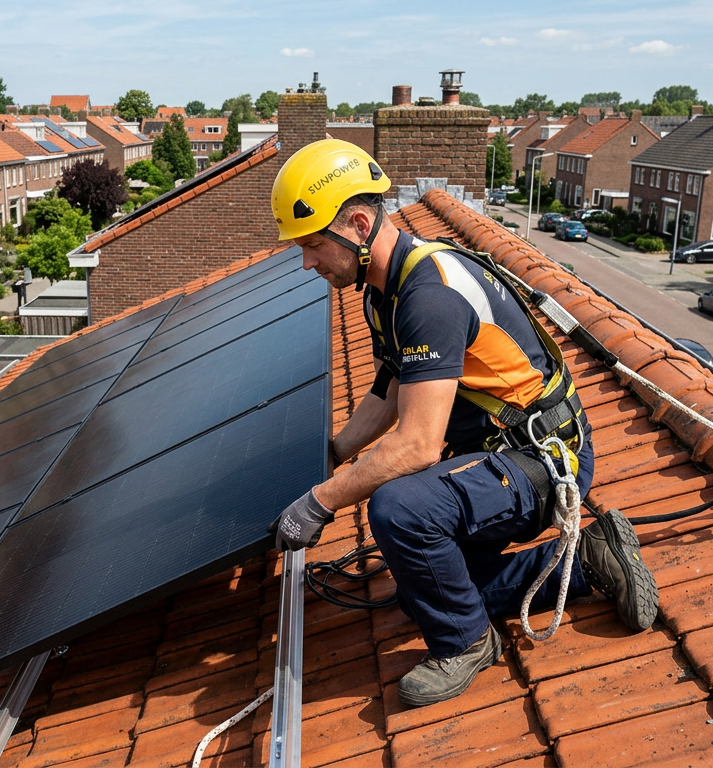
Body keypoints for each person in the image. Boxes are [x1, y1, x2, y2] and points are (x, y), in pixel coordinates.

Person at [268, 139, 659, 708]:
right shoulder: (386, 289)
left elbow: (418, 445)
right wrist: (334, 452)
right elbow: (390, 391)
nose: (308, 263)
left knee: (399, 508)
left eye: (311, 245)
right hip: (496, 454)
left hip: (541, 461)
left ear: (356, 223)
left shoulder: (429, 295)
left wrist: (319, 502)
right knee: (431, 583)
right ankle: (591, 563)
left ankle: (466, 644)